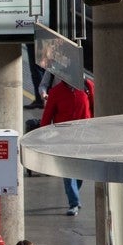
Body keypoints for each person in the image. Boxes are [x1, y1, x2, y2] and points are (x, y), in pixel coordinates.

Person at [39, 77, 93, 215]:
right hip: (63, 137)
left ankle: (74, 193)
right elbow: (47, 115)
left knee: (81, 170)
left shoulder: (87, 87)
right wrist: (41, 137)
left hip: (83, 135)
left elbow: (95, 106)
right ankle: (74, 202)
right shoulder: (56, 92)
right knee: (68, 171)